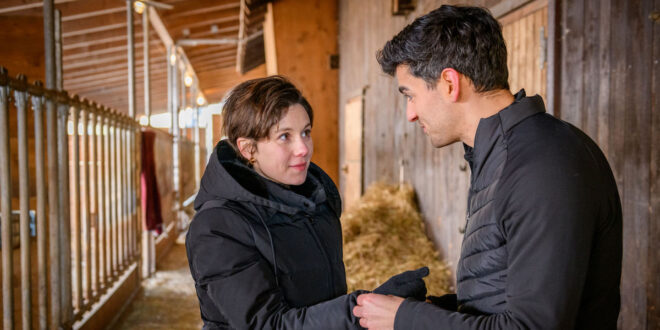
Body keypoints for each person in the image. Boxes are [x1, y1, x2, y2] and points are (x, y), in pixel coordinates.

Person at [352, 5, 622, 330]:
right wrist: (431, 308)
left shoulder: (541, 166)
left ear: (450, 84)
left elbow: (533, 325)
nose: (410, 114)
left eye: (410, 95)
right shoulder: (505, 153)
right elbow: (504, 293)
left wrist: (407, 320)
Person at [186, 76, 428, 329]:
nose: (303, 148)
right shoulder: (217, 228)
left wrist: (378, 305)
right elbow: (267, 325)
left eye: (306, 132)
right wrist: (364, 308)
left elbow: (319, 304)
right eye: (284, 137)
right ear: (248, 149)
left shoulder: (316, 206)